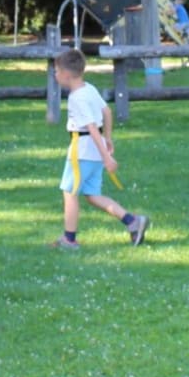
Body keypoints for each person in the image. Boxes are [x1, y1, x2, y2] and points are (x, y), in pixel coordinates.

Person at [48, 47, 150, 250]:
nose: (55, 75)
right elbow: (107, 112)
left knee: (69, 192)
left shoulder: (77, 97)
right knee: (92, 194)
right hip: (95, 148)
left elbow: (92, 127)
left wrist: (107, 158)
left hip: (82, 150)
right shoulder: (89, 88)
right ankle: (133, 222)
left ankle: (69, 239)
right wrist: (108, 139)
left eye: (57, 71)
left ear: (66, 74)